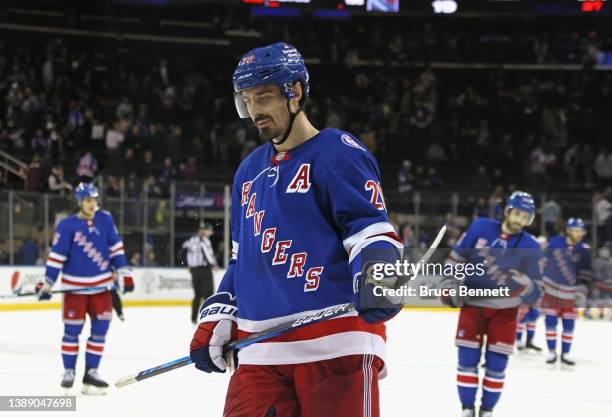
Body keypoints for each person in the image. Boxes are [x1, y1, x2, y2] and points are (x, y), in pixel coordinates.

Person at [189, 42, 403, 417]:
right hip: (259, 348)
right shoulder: (248, 171)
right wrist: (221, 311)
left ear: (296, 92)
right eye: (248, 100)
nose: (255, 111)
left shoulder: (340, 152)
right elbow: (243, 258)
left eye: (264, 97)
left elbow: (370, 231)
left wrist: (378, 272)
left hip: (335, 345)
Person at [443, 191, 543, 417]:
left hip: (506, 312)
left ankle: (487, 411)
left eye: (525, 217)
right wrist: (449, 285)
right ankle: (467, 410)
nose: (519, 221)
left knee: (497, 366)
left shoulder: (531, 246)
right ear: (507, 211)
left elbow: (537, 286)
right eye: (517, 214)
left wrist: (529, 296)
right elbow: (455, 259)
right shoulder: (480, 228)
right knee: (467, 361)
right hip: (472, 305)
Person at [35, 183, 134, 394]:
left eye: (94, 199)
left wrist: (124, 273)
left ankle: (91, 373)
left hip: (101, 289)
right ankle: (69, 371)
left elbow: (116, 248)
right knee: (71, 332)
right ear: (79, 201)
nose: (92, 204)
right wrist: (48, 282)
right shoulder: (67, 225)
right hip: (74, 290)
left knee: (99, 333)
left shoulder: (105, 219)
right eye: (88, 200)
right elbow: (56, 258)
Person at [540, 217, 593, 367]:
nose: (578, 234)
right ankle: (551, 352)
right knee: (550, 322)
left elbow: (586, 272)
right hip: (551, 290)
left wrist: (582, 291)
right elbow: (543, 261)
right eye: (575, 230)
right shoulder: (556, 242)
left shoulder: (585, 250)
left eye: (580, 231)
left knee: (569, 324)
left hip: (571, 293)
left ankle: (566, 353)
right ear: (569, 231)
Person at [182, 222, 218, 324]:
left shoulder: (190, 241)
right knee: (208, 295)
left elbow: (181, 252)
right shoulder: (204, 241)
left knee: (197, 295)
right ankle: (208, 319)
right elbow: (207, 254)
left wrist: (187, 264)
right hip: (204, 270)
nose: (211, 232)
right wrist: (213, 265)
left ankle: (193, 318)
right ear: (204, 230)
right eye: (209, 230)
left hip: (194, 271)